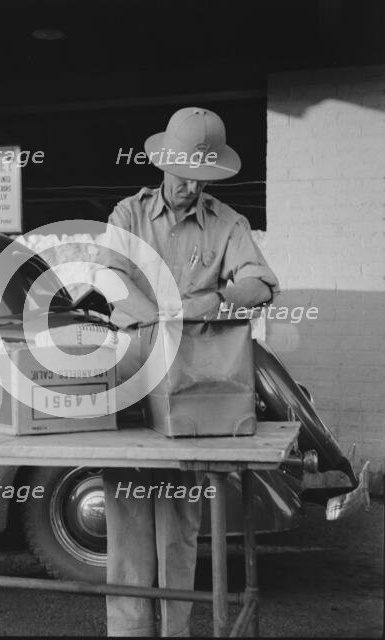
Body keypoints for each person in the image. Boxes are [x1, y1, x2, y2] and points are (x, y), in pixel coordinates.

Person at [100, 107, 280, 636]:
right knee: (128, 525)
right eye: (180, 173)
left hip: (194, 399)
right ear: (162, 164)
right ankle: (130, 634)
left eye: (200, 176)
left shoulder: (228, 224)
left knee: (180, 529)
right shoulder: (128, 217)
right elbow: (109, 280)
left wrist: (208, 304)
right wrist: (160, 313)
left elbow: (262, 286)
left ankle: (175, 632)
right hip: (133, 395)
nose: (188, 184)